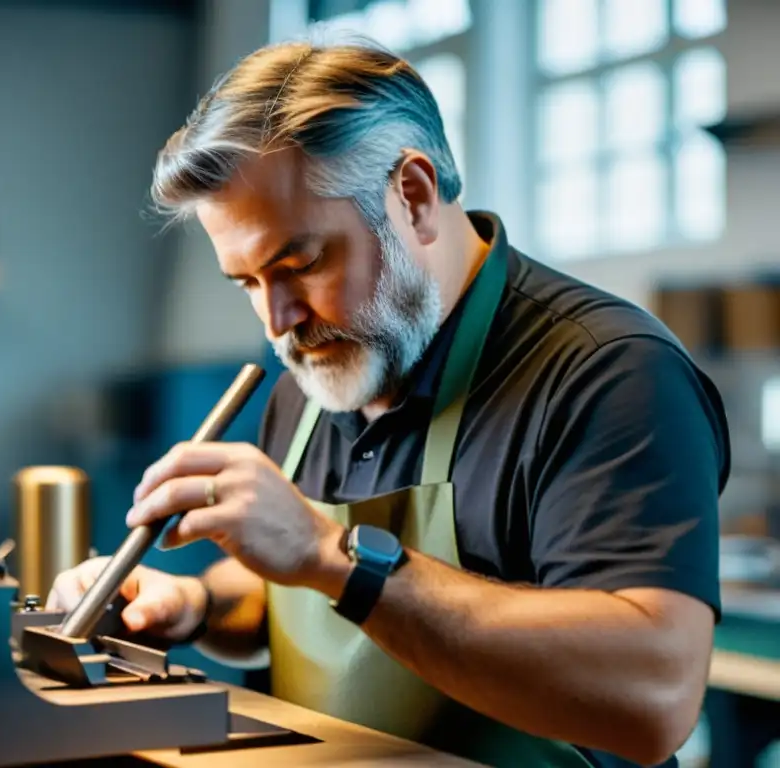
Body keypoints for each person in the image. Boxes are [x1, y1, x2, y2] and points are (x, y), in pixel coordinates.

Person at [48, 31, 729, 768]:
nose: (277, 319)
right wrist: (198, 605)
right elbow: (293, 595)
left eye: (301, 262)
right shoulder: (313, 378)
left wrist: (338, 556)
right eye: (246, 282)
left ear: (413, 195)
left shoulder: (608, 374)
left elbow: (651, 699)